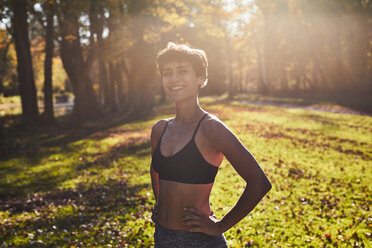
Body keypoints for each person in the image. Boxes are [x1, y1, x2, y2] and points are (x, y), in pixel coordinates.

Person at [150, 42, 272, 248]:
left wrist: (219, 226)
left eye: (182, 71)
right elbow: (156, 170)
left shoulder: (211, 129)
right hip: (162, 236)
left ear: (201, 78)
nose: (173, 79)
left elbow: (259, 183)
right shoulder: (159, 129)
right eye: (167, 73)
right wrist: (160, 203)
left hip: (198, 241)